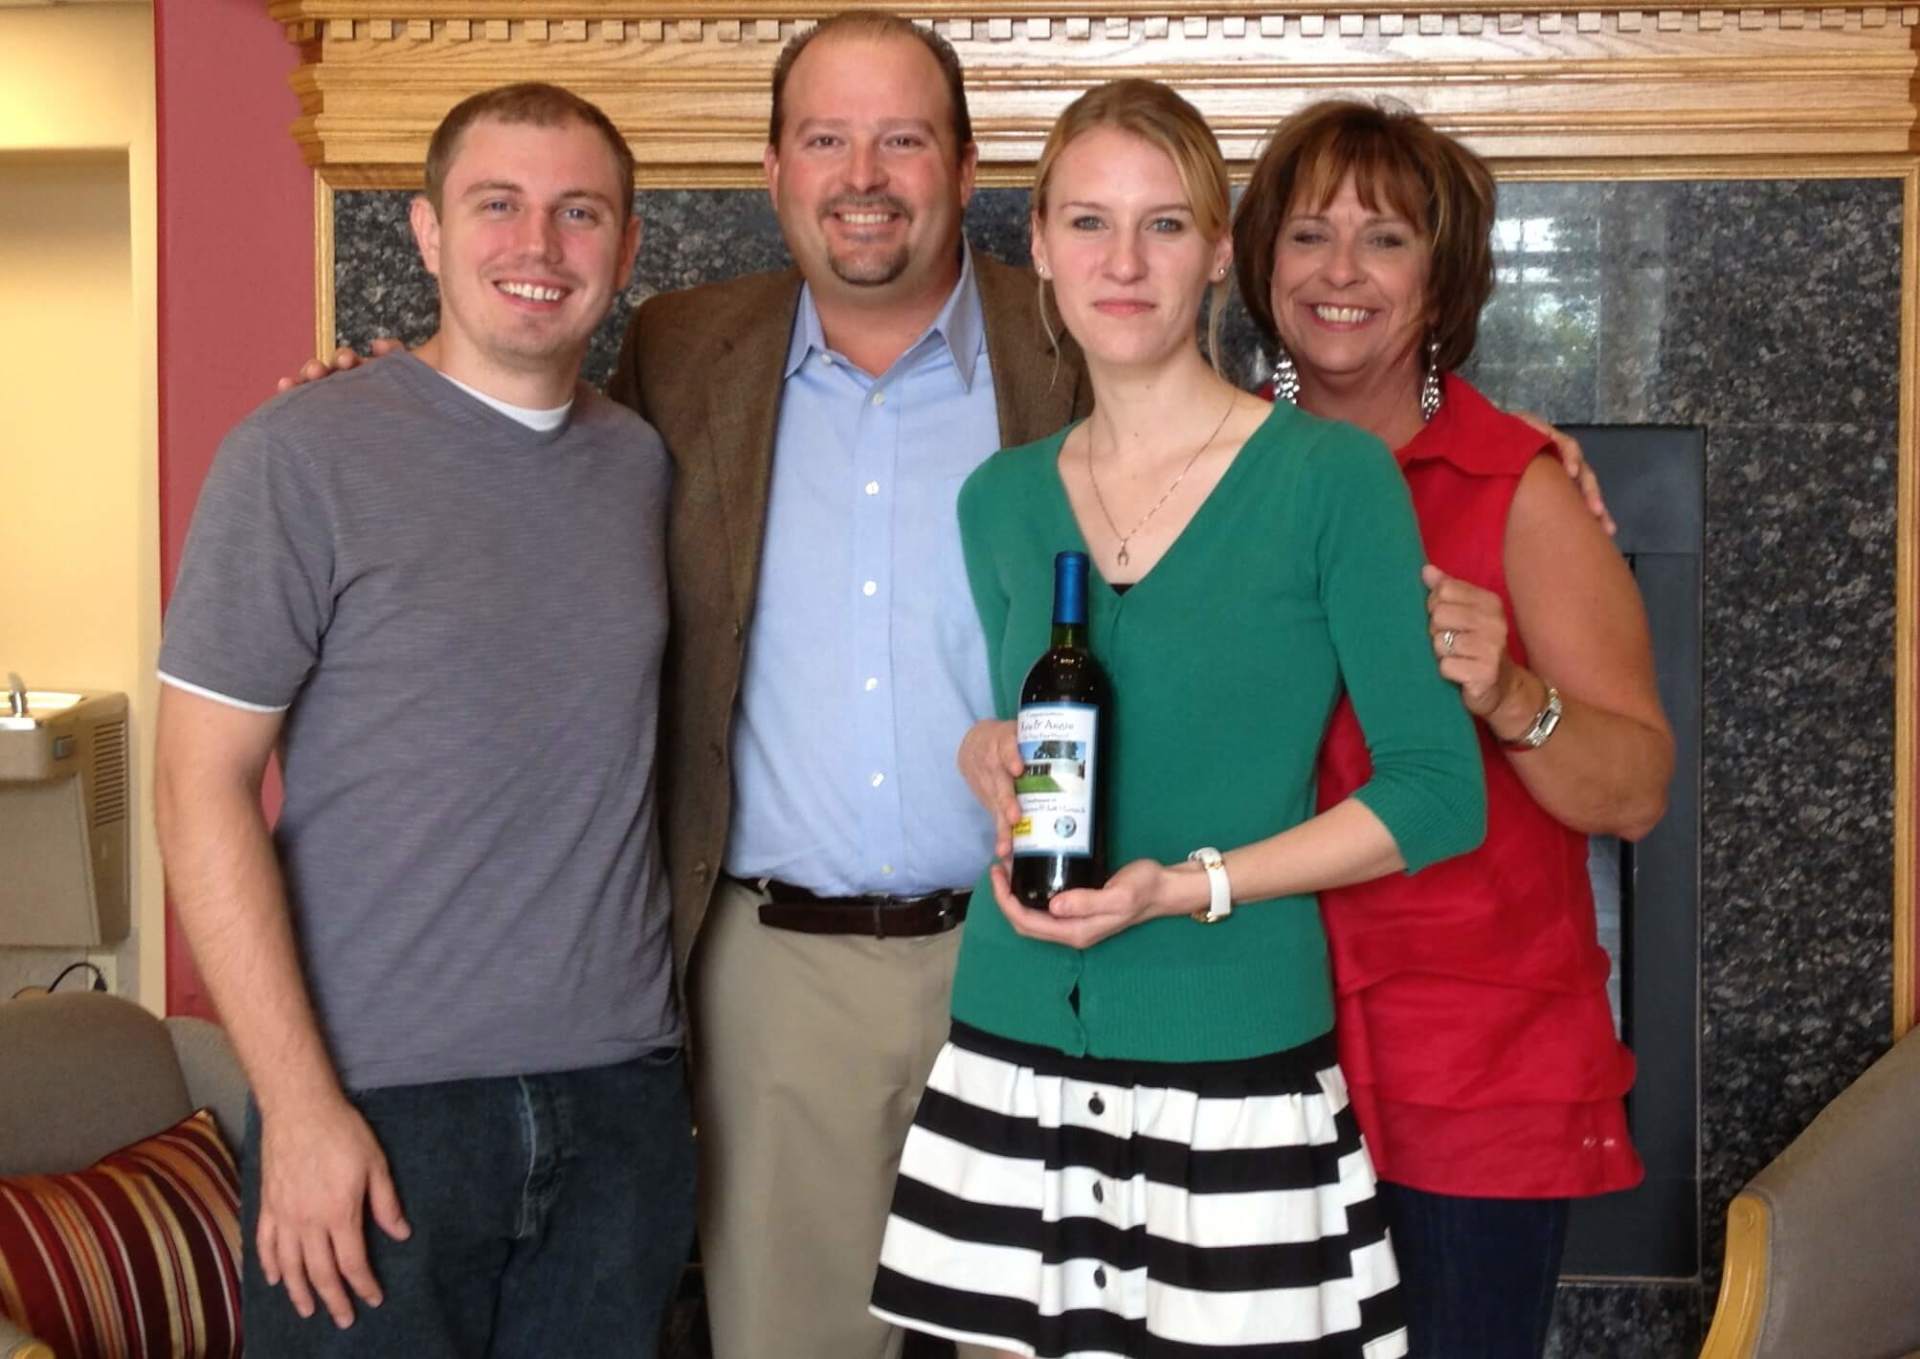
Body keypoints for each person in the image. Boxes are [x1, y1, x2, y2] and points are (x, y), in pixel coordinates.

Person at [869, 79, 1486, 1359]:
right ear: (1037, 245)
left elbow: (1437, 793)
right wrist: (983, 752)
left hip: (1234, 1067)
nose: (1124, 261)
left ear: (1218, 249)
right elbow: (1038, 745)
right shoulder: (1000, 501)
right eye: (1089, 223)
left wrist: (1187, 886)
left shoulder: (1331, 481)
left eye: (1164, 225)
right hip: (1007, 1052)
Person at [154, 83, 694, 1357]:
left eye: (579, 213)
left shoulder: (646, 466)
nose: (537, 246)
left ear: (623, 247)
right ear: (427, 232)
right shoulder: (299, 456)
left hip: (622, 1104)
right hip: (380, 1109)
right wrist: (297, 1109)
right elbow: (198, 790)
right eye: (495, 205)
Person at [610, 15, 1090, 1358]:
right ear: (774, 168)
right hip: (775, 978)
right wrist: (375, 413)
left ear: (967, 165)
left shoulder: (1072, 339)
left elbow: (1230, 487)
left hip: (1035, 953)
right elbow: (529, 465)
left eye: (902, 137)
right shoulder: (678, 352)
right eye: (826, 137)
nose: (862, 172)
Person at [1229, 100, 1675, 1357]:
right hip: (1251, 1045)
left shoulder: (1521, 491)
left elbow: (1635, 789)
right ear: (1262, 263)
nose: (1340, 274)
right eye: (1310, 234)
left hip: (1469, 1071)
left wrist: (1510, 695)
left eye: (1385, 240)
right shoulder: (1207, 470)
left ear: (1443, 277)